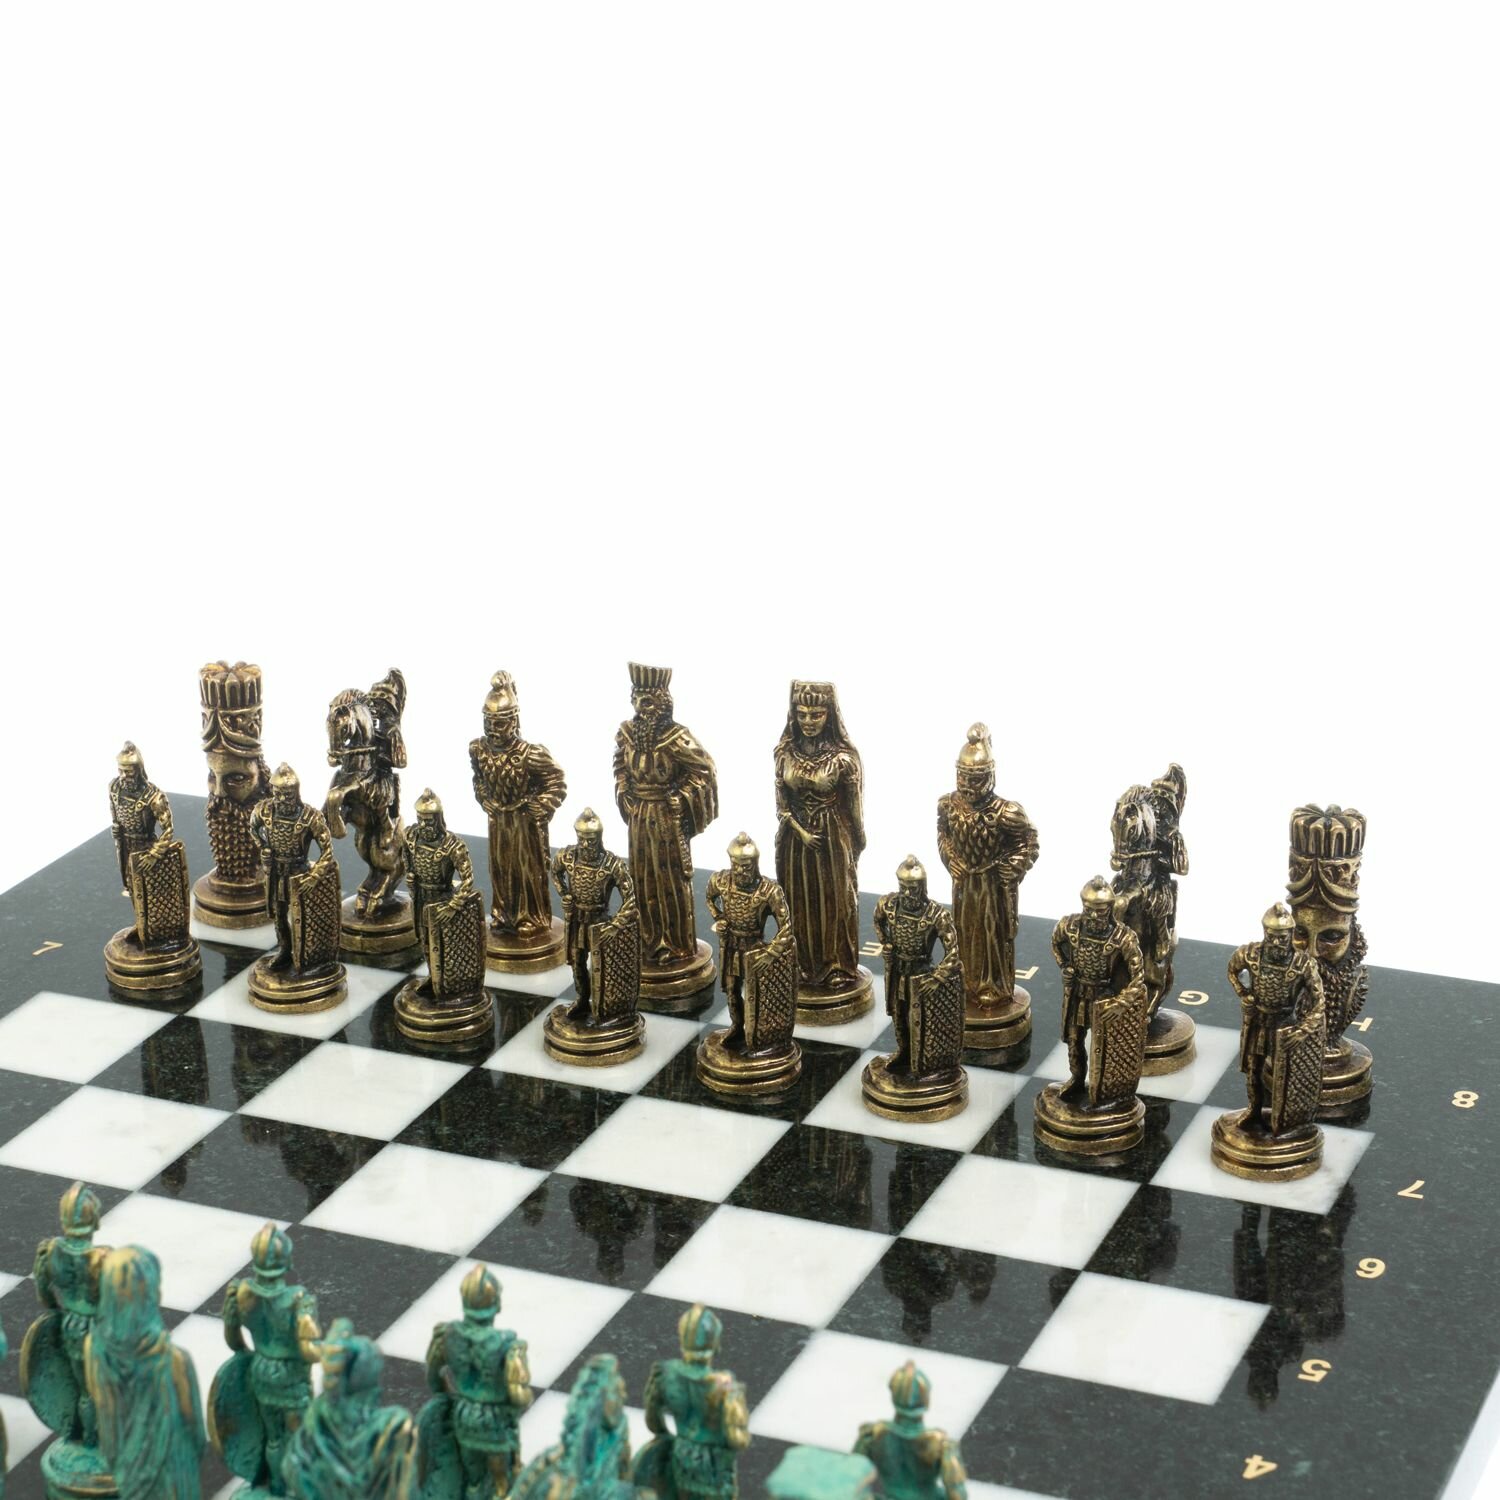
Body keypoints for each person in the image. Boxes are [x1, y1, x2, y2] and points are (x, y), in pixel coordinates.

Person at [773, 681, 869, 1013]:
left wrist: (857, 843)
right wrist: (799, 832)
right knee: (799, 899)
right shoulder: (784, 753)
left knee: (836, 900)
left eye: (816, 714)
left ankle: (837, 966)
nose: (809, 721)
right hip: (795, 840)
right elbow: (781, 805)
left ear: (830, 715)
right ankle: (804, 964)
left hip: (832, 837)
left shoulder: (844, 759)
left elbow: (854, 808)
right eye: (802, 714)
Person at [84, 1246, 205, 1500]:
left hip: (127, 1469)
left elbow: (102, 1408)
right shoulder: (173, 1360)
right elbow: (195, 1434)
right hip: (173, 1474)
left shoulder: (94, 1349)